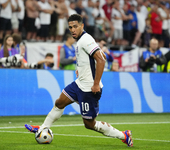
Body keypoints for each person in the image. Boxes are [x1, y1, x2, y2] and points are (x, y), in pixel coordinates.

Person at [25, 14, 133, 147]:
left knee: (89, 124)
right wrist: (81, 69)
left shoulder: (85, 39)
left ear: (82, 26)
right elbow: (99, 55)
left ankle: (124, 135)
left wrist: (95, 84)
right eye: (70, 27)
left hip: (89, 88)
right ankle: (43, 128)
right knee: (59, 102)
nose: (72, 30)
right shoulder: (82, 40)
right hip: (79, 84)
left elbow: (101, 59)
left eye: (75, 26)